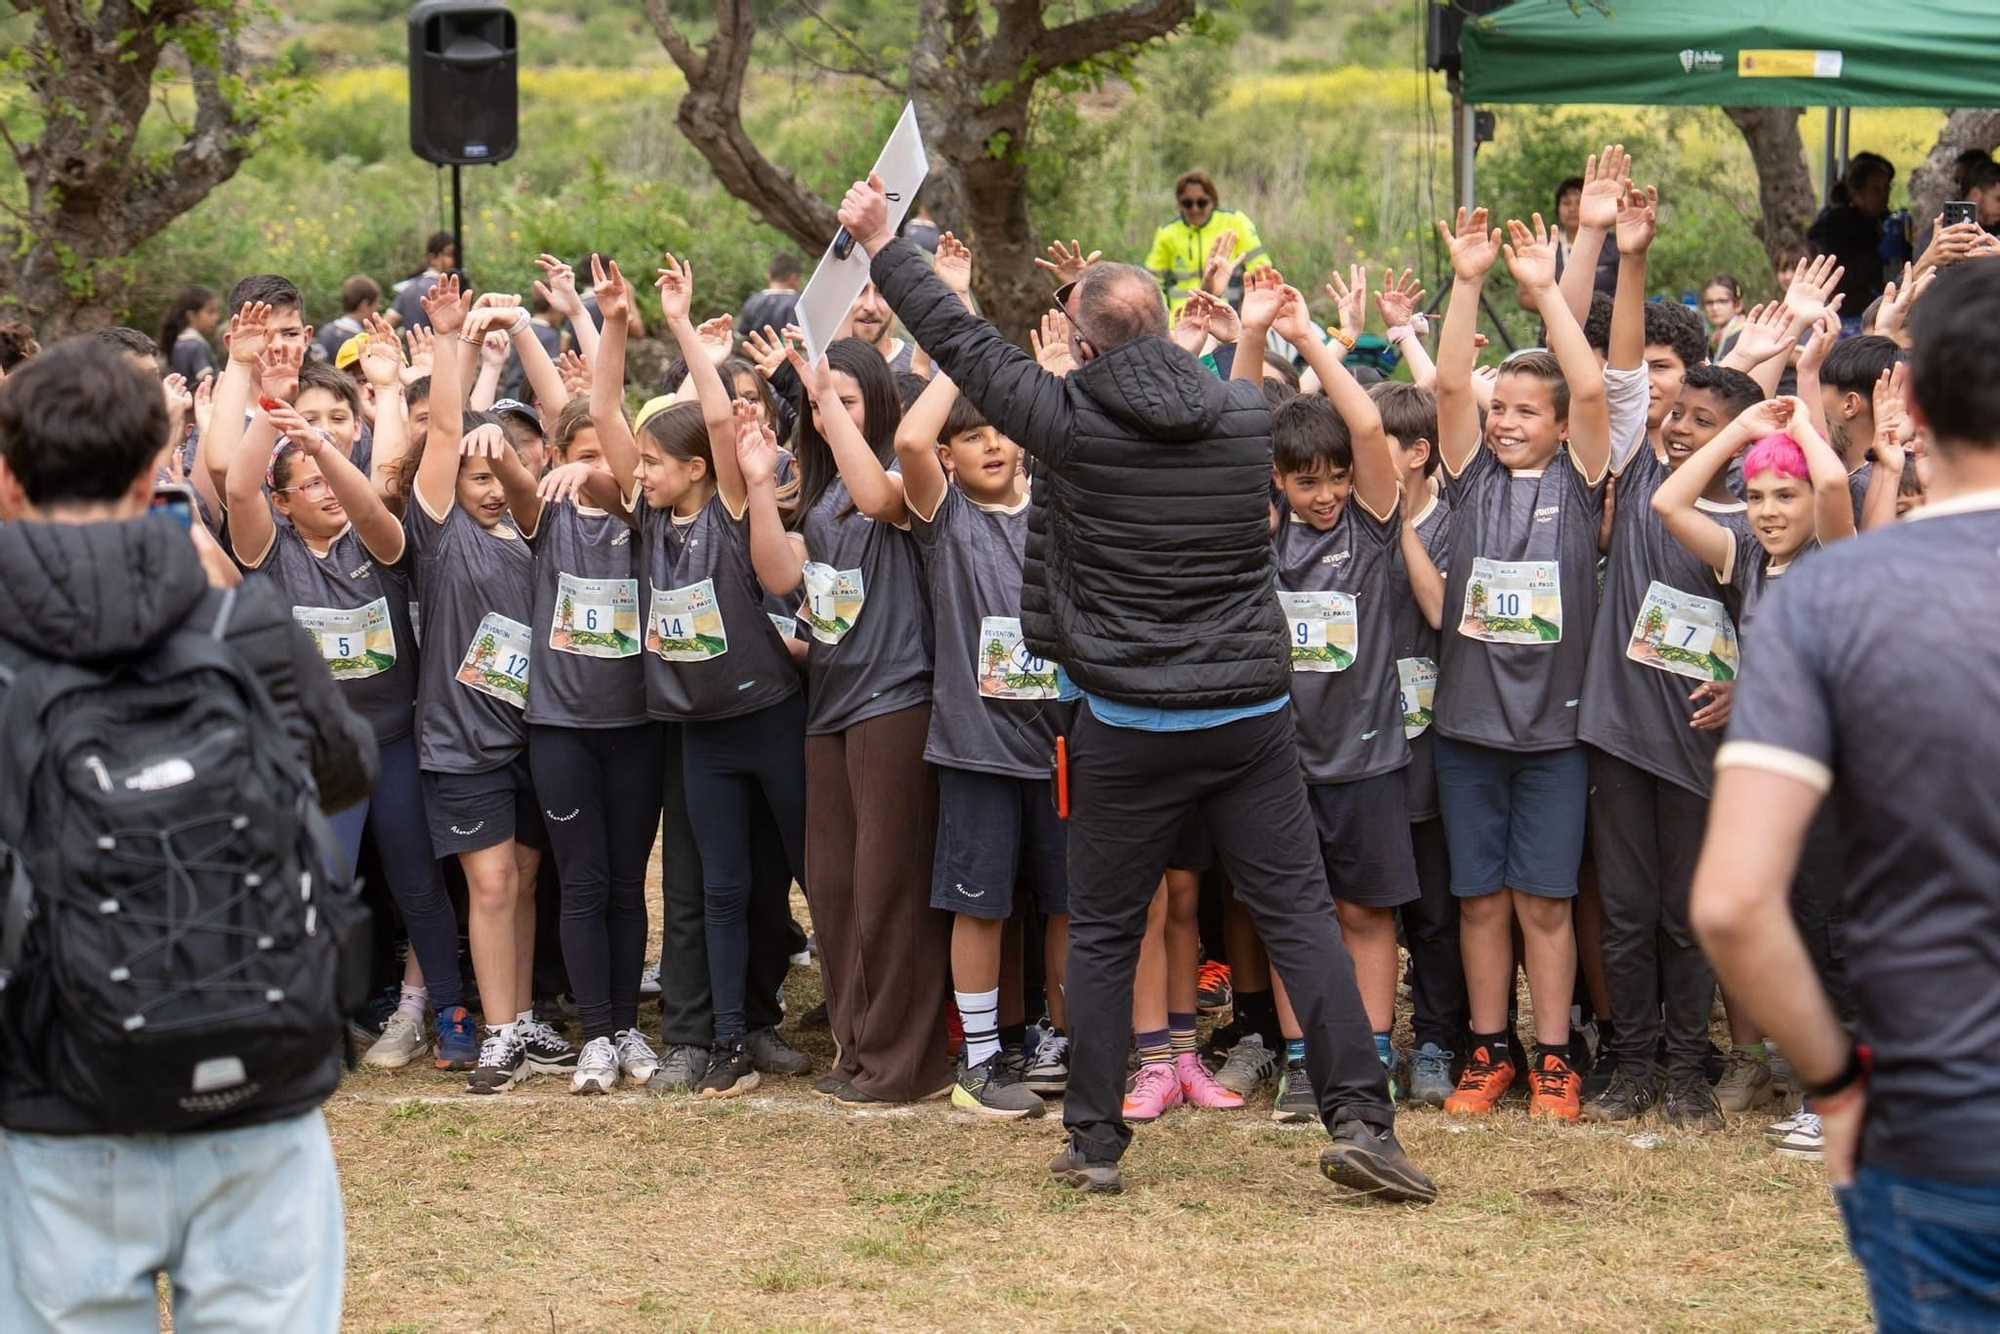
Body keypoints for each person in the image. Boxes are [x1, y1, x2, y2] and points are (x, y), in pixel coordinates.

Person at [840, 171, 1434, 1202]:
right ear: (1161, 325)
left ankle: (1095, 1143)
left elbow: (960, 338)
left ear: (1086, 339)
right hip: (1247, 715)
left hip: (1123, 719)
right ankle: (1362, 1120)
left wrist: (882, 242)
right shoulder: (1246, 417)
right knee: (1299, 916)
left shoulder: (1064, 421)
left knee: (1108, 928)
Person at [0, 338, 376, 1331]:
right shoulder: (245, 626)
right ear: (149, 472)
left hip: (54, 1094)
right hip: (256, 1076)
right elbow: (346, 770)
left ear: (8, 476)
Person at [1692, 257, 2000, 1330]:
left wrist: (1831, 1082)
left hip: (1939, 1120)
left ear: (1906, 408)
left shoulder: (1830, 597)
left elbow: (1730, 900)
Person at [220, 334, 476, 1075]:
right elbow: (238, 491)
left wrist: (323, 449)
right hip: (315, 753)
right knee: (317, 883)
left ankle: (450, 1009)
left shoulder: (379, 543)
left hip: (394, 742)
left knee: (418, 883)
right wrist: (271, 408)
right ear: (282, 502)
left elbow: (362, 500)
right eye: (309, 486)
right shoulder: (271, 552)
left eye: (332, 481)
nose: (327, 492)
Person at [884, 236, 1073, 1120]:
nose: (992, 443)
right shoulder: (943, 516)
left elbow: (1077, 425)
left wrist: (1055, 379)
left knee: (1071, 905)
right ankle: (983, 1057)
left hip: (1067, 746)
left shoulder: (1062, 499)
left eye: (1005, 429)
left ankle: (1070, 1040)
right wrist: (957, 322)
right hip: (978, 746)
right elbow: (913, 433)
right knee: (982, 905)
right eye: (975, 436)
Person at [1431, 208, 1611, 1122]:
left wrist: (1543, 292)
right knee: (1479, 901)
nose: (1505, 422)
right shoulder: (1469, 478)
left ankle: (1552, 1057)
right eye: (1500, 409)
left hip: (1553, 735)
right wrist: (1467, 283)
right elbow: (1453, 384)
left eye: (1523, 411)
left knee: (1545, 902)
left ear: (1558, 426)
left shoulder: (1581, 484)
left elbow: (1589, 386)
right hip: (1466, 731)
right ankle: (1488, 1049)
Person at [741, 329, 947, 1110]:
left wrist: (821, 394)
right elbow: (782, 574)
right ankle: (857, 1049)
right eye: (829, 402)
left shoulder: (900, 477)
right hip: (829, 702)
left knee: (888, 886)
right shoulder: (820, 494)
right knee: (833, 888)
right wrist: (761, 482)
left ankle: (904, 1063)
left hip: (898, 698)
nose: (833, 416)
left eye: (851, 401)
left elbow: (880, 501)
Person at [1241, 274, 1419, 1110]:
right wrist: (1251, 336)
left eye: (1335, 479)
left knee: (1366, 914)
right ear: (1276, 479)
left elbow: (1370, 424)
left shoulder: (1372, 522)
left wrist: (1314, 340)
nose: (1324, 495)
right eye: (1305, 481)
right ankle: (1307, 1060)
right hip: (1279, 764)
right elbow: (1239, 424)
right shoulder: (1259, 534)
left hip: (1370, 759)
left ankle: (1373, 1050)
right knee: (1295, 919)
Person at [403, 276, 575, 1094]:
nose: (486, 485)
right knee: (493, 882)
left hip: (535, 736)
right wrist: (451, 341)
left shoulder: (543, 535)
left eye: (500, 469)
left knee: (529, 879)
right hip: (462, 741)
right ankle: (500, 1032)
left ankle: (521, 1016)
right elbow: (446, 429)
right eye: (473, 474)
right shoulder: (439, 540)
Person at [1143, 169, 1270, 320]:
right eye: (1187, 203)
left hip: (1227, 316)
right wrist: (1164, 320)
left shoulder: (1235, 221)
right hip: (1182, 321)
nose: (1195, 209)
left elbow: (1261, 270)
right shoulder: (1167, 232)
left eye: (1201, 203)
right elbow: (1152, 282)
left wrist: (1249, 311)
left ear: (1213, 200)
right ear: (1179, 203)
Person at [1809, 154, 1894, 319]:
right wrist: (1878, 254)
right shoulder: (1838, 224)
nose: (1884, 196)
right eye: (1876, 189)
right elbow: (1843, 276)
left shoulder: (1879, 220)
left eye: (1887, 188)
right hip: (1849, 311)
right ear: (1856, 194)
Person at [390, 230, 457, 332]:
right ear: (433, 258)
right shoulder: (446, 289)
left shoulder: (408, 287)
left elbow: (386, 324)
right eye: (449, 255)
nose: (454, 261)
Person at [160, 283, 220, 384]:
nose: (216, 317)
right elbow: (208, 383)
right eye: (210, 312)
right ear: (192, 316)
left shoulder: (180, 342)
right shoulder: (195, 345)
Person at [317, 274, 382, 366]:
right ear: (365, 305)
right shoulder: (361, 340)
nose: (377, 311)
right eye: (376, 306)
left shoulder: (326, 330)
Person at [739, 253, 803, 337]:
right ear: (794, 278)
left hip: (756, 349)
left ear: (768, 277)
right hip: (789, 349)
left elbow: (742, 334)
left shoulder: (752, 301)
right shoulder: (799, 303)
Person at [1699, 275, 1746, 358]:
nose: (1714, 308)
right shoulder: (1714, 337)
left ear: (1738, 304)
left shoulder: (1744, 334)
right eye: (1709, 302)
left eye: (1722, 301)